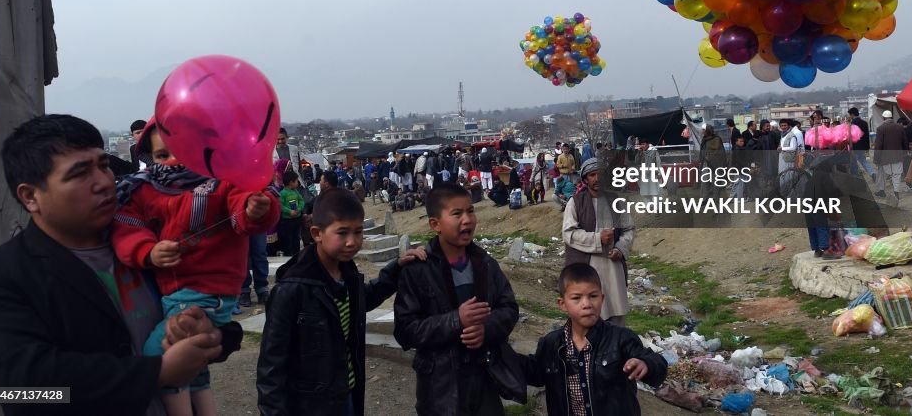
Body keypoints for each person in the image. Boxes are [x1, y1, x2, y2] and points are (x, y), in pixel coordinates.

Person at [0, 114, 242, 416]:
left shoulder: (149, 245)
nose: (104, 183)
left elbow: (214, 312)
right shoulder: (2, 274)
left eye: (104, 165)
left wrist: (211, 336)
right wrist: (156, 373)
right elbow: (23, 391)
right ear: (30, 196)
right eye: (80, 173)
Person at [111, 120, 280, 416]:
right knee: (196, 373)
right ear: (151, 158)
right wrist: (148, 251)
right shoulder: (145, 189)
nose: (174, 162)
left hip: (203, 295)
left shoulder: (221, 180)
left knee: (159, 357)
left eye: (185, 152)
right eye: (163, 156)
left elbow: (241, 204)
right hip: (180, 296)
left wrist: (257, 209)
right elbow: (128, 226)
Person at [256, 190, 426, 415]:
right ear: (317, 233)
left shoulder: (346, 273)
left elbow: (361, 301)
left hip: (346, 393)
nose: (352, 242)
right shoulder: (291, 290)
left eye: (358, 232)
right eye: (342, 233)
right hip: (311, 405)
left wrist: (396, 270)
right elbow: (271, 366)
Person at [394, 183, 520, 416]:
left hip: (485, 379)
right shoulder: (418, 271)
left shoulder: (486, 264)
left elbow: (509, 308)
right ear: (435, 224)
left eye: (471, 211)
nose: (468, 219)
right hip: (440, 389)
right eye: (457, 214)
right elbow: (405, 331)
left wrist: (486, 328)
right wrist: (456, 321)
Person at [519, 263, 668, 416]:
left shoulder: (620, 338)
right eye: (576, 298)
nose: (587, 304)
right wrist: (501, 352)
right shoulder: (551, 344)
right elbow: (535, 373)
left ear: (602, 299)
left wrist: (646, 364)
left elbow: (657, 364)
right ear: (562, 304)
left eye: (593, 296)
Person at [563, 158, 635, 326]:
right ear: (586, 179)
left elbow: (628, 229)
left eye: (601, 174)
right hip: (587, 266)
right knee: (590, 311)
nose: (597, 179)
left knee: (616, 312)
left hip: (613, 266)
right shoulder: (575, 203)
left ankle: (616, 347)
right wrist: (597, 239)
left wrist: (620, 249)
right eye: (592, 175)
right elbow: (569, 233)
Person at [873, 110, 908, 202]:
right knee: (896, 175)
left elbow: (878, 145)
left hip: (885, 157)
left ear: (883, 118)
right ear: (891, 117)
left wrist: (876, 158)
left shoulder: (880, 128)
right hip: (898, 155)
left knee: (882, 174)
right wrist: (905, 152)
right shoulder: (899, 127)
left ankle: (881, 191)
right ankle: (896, 193)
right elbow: (904, 141)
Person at [276, 170, 306, 257]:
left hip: (297, 219)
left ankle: (296, 254)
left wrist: (299, 209)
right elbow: (280, 206)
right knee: (288, 238)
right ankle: (289, 254)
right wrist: (289, 211)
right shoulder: (282, 193)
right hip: (287, 221)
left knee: (296, 237)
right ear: (291, 182)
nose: (298, 183)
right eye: (296, 181)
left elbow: (301, 201)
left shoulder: (296, 192)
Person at [847, 108, 876, 181]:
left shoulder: (852, 124)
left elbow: (851, 137)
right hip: (862, 147)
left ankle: (855, 178)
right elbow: (866, 136)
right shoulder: (864, 123)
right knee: (863, 161)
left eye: (850, 115)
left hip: (855, 147)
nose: (849, 116)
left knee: (853, 163)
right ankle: (872, 173)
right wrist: (867, 147)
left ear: (852, 114)